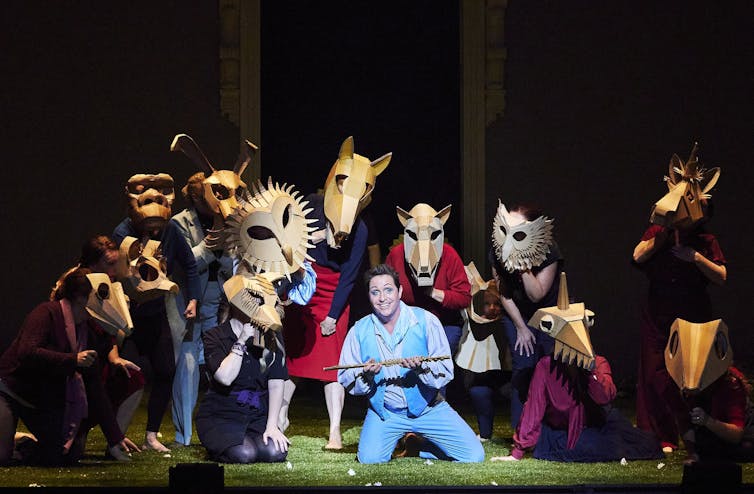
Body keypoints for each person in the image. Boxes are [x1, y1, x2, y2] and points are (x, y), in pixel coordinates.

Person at [283, 136, 391, 449]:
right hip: (305, 287)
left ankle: (334, 431)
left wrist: (333, 315)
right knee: (295, 359)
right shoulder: (310, 206)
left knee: (333, 366)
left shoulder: (361, 228)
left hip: (333, 294)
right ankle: (280, 418)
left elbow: (349, 275)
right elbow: (290, 241)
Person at [491, 274, 663, 462]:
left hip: (594, 425)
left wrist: (590, 372)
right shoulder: (546, 367)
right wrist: (517, 452)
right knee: (581, 446)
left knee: (628, 444)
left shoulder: (599, 362)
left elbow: (605, 397)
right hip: (560, 431)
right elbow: (534, 406)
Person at [337, 264, 484, 464]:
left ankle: (421, 446)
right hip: (386, 413)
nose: (382, 298)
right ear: (369, 296)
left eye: (388, 290)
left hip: (429, 408)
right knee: (369, 460)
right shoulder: (359, 331)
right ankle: (403, 439)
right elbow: (346, 378)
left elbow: (446, 371)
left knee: (474, 456)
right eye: (375, 292)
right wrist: (367, 376)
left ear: (400, 291)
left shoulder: (426, 321)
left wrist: (422, 369)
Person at [0, 268, 139, 465]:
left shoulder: (85, 330)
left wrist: (115, 437)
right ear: (81, 298)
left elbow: (95, 386)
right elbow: (27, 352)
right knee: (1, 456)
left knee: (69, 453)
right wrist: (72, 359)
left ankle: (22, 442)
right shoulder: (47, 312)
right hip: (10, 390)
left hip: (37, 399)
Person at [113, 173, 201, 452]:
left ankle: (151, 435)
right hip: (127, 315)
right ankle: (116, 435)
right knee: (124, 373)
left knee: (165, 371)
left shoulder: (171, 230)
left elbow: (189, 264)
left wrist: (194, 299)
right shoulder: (122, 232)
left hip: (155, 312)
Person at [632, 217, 726, 452]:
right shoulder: (657, 231)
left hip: (692, 310)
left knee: (693, 372)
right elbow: (637, 256)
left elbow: (721, 275)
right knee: (655, 371)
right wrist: (659, 240)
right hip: (658, 311)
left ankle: (698, 431)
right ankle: (661, 434)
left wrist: (695, 257)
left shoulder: (705, 240)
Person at [168, 173, 234, 447]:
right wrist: (209, 247)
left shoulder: (229, 219)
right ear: (197, 196)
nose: (219, 199)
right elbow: (183, 264)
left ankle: (222, 426)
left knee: (219, 364)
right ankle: (183, 435)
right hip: (187, 304)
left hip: (218, 304)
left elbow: (233, 260)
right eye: (213, 193)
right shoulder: (179, 223)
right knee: (188, 366)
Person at [195, 275, 289, 464]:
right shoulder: (216, 336)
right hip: (222, 413)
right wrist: (241, 341)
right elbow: (225, 378)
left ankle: (256, 437)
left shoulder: (271, 337)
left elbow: (277, 384)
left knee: (275, 452)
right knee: (245, 454)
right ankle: (220, 446)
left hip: (255, 412)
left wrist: (273, 426)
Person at [490, 201, 562, 430]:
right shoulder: (497, 249)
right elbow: (504, 293)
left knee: (547, 364)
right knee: (524, 364)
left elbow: (536, 295)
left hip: (546, 314)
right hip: (516, 313)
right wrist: (521, 327)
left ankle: (549, 428)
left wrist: (522, 263)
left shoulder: (549, 250)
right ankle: (522, 430)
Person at [385, 203, 471, 358]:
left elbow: (464, 298)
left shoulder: (449, 255)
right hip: (407, 327)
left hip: (444, 325)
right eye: (413, 236)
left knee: (435, 367)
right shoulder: (395, 256)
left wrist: (433, 293)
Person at [79, 235, 145, 436]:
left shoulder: (109, 286)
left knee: (132, 376)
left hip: (98, 359)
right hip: (75, 362)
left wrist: (115, 357)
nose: (114, 271)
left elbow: (109, 334)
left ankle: (116, 441)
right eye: (109, 264)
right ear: (92, 264)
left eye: (116, 264)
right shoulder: (78, 285)